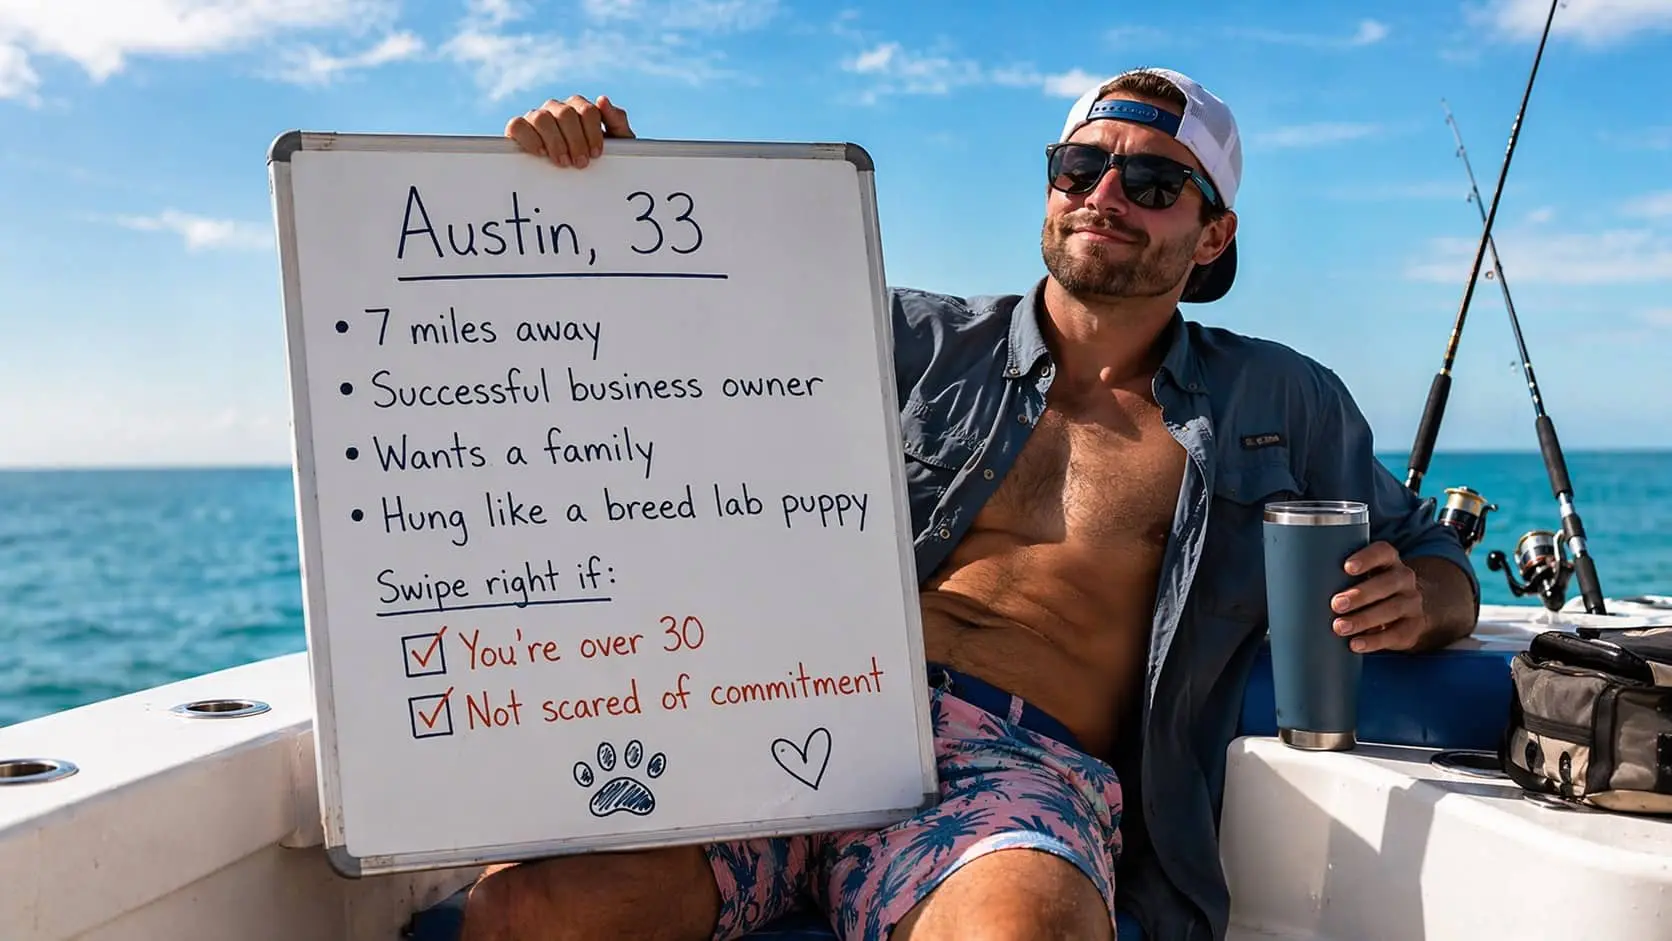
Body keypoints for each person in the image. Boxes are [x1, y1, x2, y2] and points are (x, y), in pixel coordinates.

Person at [461, 67, 1480, 941]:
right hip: (792, 716)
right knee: (530, 909)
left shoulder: (1277, 397)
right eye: (1078, 167)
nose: (1102, 194)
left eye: (1153, 180)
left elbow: (1431, 553)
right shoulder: (907, 336)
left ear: (1212, 234)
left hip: (1010, 762)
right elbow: (681, 341)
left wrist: (1422, 598)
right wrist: (606, 184)